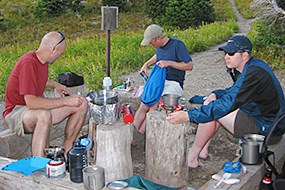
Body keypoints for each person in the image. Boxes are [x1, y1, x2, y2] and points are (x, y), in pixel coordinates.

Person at [166, 35, 285, 168]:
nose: (226, 57)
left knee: (215, 109)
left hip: (267, 130)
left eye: (231, 53)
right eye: (225, 53)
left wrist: (188, 115)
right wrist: (215, 93)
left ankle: (192, 157)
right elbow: (235, 90)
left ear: (244, 55)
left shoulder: (253, 73)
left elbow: (228, 103)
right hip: (264, 120)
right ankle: (202, 151)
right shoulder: (252, 67)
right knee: (214, 104)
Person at [3, 31, 88, 158]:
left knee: (82, 104)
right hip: (16, 112)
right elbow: (31, 103)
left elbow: (34, 80)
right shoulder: (28, 63)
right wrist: (66, 101)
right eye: (60, 53)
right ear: (53, 51)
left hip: (34, 109)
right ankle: (40, 165)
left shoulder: (42, 61)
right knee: (44, 115)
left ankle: (67, 151)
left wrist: (55, 85)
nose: (60, 56)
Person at [133, 24, 193, 136]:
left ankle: (141, 133)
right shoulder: (158, 47)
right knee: (145, 103)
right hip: (159, 80)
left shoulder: (177, 45)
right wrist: (146, 64)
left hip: (173, 82)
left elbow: (189, 66)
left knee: (155, 105)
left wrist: (169, 63)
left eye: (151, 42)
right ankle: (133, 132)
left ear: (157, 38)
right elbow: (158, 55)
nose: (151, 45)